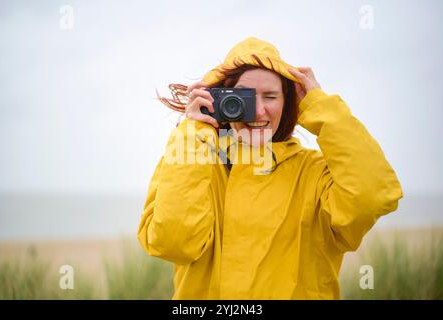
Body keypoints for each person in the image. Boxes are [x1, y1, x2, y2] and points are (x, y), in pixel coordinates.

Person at [137, 37, 403, 299]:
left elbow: (372, 195)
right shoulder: (192, 159)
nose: (259, 111)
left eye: (271, 96)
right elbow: (173, 243)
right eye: (243, 99)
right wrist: (193, 131)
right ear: (220, 100)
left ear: (288, 104)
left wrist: (323, 109)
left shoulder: (313, 173)